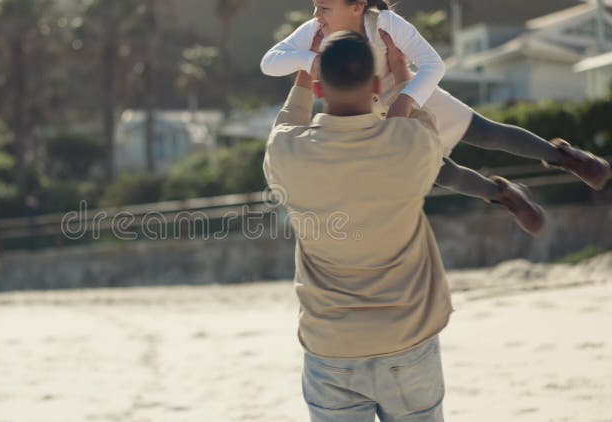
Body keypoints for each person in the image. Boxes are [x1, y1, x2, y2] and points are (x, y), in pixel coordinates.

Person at [262, 0, 611, 235]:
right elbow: (270, 61)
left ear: (356, 6)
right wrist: (312, 61)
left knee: (487, 133)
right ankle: (503, 194)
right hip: (367, 114)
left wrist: (406, 100)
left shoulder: (384, 22)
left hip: (411, 91)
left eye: (323, 6)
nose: (317, 13)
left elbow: (434, 64)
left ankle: (567, 158)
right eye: (314, 6)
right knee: (441, 172)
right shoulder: (315, 30)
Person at [263, 31, 455, 421]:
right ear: (375, 84)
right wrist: (403, 80)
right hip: (408, 341)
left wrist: (303, 71)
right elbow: (413, 126)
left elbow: (287, 122)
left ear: (319, 85)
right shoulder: (411, 145)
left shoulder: (287, 153)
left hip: (330, 348)